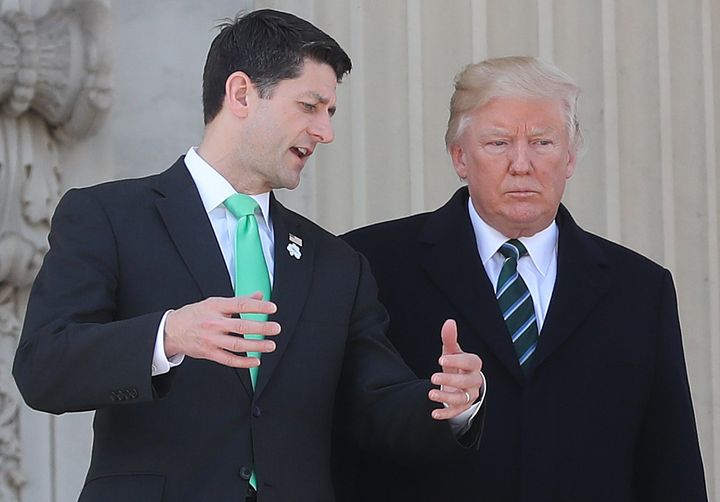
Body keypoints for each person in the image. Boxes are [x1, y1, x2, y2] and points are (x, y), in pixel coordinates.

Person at [12, 10, 486, 502]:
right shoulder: (108, 216)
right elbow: (42, 368)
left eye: (330, 113)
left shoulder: (337, 263)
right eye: (309, 106)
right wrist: (169, 334)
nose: (325, 132)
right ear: (241, 94)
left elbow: (375, 404)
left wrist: (450, 402)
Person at [343, 56, 707, 501]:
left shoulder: (641, 288)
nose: (521, 164)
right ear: (460, 157)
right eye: (498, 143)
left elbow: (671, 459)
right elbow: (338, 430)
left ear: (569, 158)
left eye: (542, 142)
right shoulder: (370, 263)